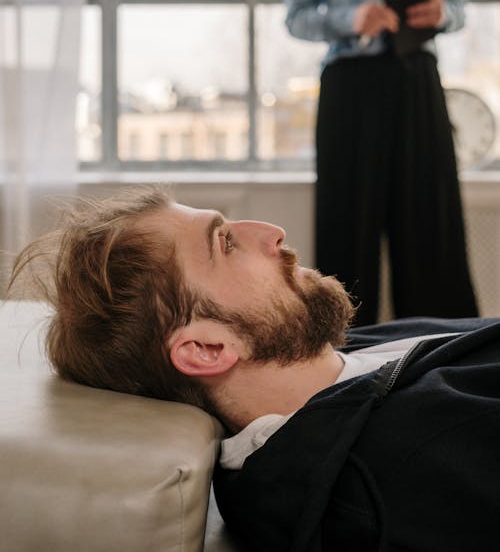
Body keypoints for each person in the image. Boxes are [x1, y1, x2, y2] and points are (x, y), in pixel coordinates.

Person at [7, 186, 500, 552]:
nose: (271, 232)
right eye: (225, 243)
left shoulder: (362, 357)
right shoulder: (404, 467)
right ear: (205, 347)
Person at [285, 0, 477, 325]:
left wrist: (443, 12)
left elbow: (459, 10)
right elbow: (297, 18)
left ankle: (445, 361)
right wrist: (352, 17)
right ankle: (343, 366)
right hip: (351, 86)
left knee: (431, 228)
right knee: (349, 225)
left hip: (418, 82)